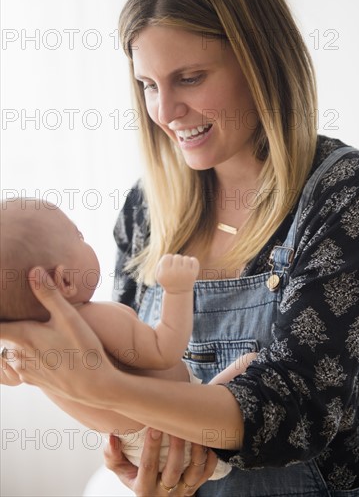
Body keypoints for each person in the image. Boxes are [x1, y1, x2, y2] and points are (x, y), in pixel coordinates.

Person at [1, 0, 359, 496]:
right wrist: (131, 449)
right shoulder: (145, 210)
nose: (164, 111)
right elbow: (118, 371)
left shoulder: (343, 196)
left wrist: (108, 391)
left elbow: (301, 411)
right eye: (148, 85)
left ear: (261, 62)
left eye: (189, 78)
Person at [0, 198, 255, 479]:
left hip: (138, 452)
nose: (86, 241)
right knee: (251, 363)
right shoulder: (97, 319)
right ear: (65, 282)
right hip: (181, 430)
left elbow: (9, 376)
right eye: (79, 236)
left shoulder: (24, 352)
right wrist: (178, 290)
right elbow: (164, 350)